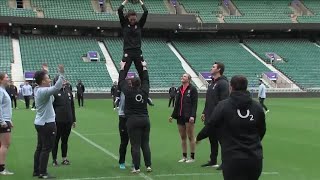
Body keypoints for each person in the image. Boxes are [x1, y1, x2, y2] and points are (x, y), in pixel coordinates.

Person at [196, 75, 266, 180]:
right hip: (254, 158)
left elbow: (211, 125)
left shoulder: (223, 106)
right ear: (246, 87)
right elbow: (262, 131)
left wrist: (199, 137)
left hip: (232, 158)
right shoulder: (257, 107)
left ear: (230, 87)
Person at [118, 61, 152, 173]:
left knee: (135, 145)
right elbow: (146, 80)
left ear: (131, 84)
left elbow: (121, 81)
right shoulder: (144, 91)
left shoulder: (128, 91)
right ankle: (148, 166)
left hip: (133, 120)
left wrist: (122, 68)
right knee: (145, 144)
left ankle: (136, 168)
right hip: (145, 119)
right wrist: (144, 67)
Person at [33, 65, 65, 179]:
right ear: (42, 81)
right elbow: (56, 88)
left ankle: (37, 171)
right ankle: (43, 172)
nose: (50, 79)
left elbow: (51, 88)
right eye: (47, 78)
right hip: (47, 124)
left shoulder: (38, 89)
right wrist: (61, 74)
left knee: (40, 147)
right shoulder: (43, 91)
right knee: (46, 148)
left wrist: (45, 71)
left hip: (40, 122)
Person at [201, 62, 229, 169]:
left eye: (213, 67)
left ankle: (225, 162)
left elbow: (224, 101)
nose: (211, 68)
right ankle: (213, 160)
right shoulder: (212, 83)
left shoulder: (223, 83)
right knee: (212, 139)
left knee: (222, 141)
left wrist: (219, 115)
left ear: (219, 69)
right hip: (210, 117)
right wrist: (204, 112)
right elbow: (209, 100)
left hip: (219, 118)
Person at [169, 73, 198, 163]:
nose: (182, 77)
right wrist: (172, 115)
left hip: (189, 116)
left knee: (190, 136)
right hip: (179, 116)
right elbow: (177, 104)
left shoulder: (192, 89)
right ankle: (184, 156)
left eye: (184, 76)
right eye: (182, 76)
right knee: (182, 137)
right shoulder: (179, 89)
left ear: (189, 79)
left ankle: (192, 157)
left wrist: (192, 115)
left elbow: (194, 104)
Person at [118, 0, 148, 80]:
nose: (133, 21)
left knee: (143, 71)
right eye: (131, 20)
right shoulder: (124, 24)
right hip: (128, 51)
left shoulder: (139, 25)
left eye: (134, 19)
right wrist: (126, 1)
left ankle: (144, 90)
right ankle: (119, 89)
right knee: (123, 70)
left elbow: (146, 12)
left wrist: (140, 1)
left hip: (138, 51)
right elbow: (119, 10)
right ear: (128, 18)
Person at [52, 78, 76, 167]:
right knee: (55, 140)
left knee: (65, 140)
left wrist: (74, 119)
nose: (64, 82)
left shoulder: (68, 91)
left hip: (68, 120)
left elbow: (72, 106)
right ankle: (54, 159)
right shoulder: (54, 92)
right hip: (57, 121)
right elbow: (51, 107)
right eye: (62, 81)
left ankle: (64, 158)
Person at [0, 73, 14, 175]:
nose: (8, 79)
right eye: (6, 77)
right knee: (5, 144)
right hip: (3, 121)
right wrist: (2, 121)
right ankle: (1, 168)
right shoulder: (0, 91)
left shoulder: (3, 90)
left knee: (3, 144)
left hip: (5, 119)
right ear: (1, 80)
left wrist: (9, 120)